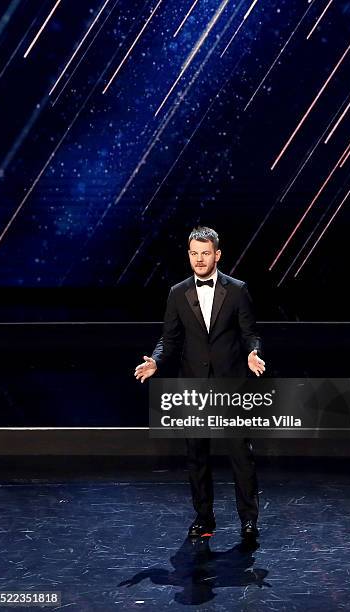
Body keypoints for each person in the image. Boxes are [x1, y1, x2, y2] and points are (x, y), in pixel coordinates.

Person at [134, 226, 265, 539]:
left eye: (205, 253)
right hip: (194, 386)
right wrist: (156, 360)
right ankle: (204, 519)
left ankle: (248, 520)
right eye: (194, 253)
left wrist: (253, 353)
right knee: (197, 456)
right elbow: (169, 338)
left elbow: (250, 333)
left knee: (240, 456)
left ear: (217, 255)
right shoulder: (178, 293)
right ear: (189, 255)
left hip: (231, 385)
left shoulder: (237, 289)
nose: (199, 259)